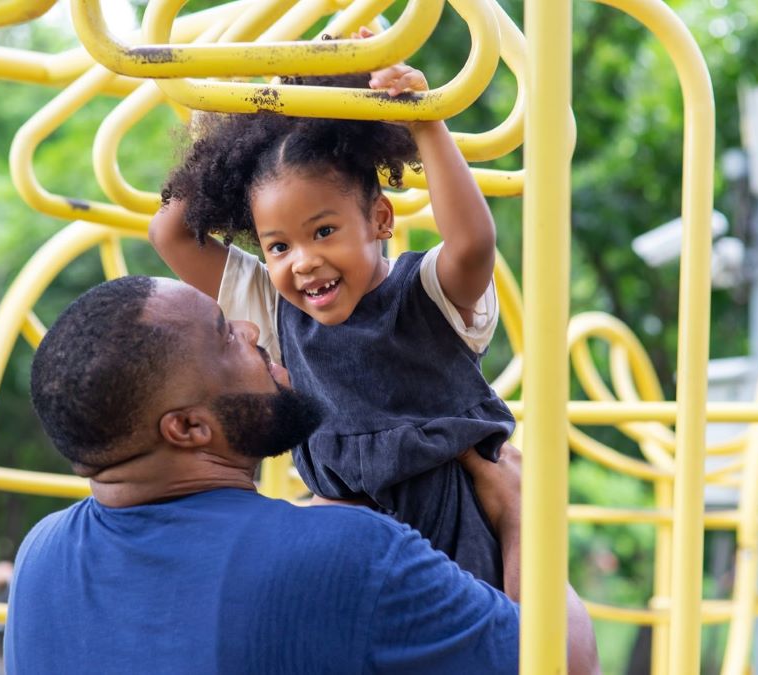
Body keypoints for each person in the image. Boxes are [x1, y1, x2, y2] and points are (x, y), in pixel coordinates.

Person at [4, 276, 599, 674]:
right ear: (187, 428)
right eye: (225, 334)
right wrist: (522, 513)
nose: (252, 330)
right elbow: (564, 661)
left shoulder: (41, 559)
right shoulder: (351, 554)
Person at [150, 52, 515, 588]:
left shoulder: (428, 296)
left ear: (380, 218)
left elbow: (473, 242)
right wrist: (261, 115)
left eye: (323, 231)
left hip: (455, 539)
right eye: (278, 245)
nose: (302, 260)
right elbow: (170, 234)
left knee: (511, 634)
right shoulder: (276, 311)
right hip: (347, 547)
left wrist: (425, 122)